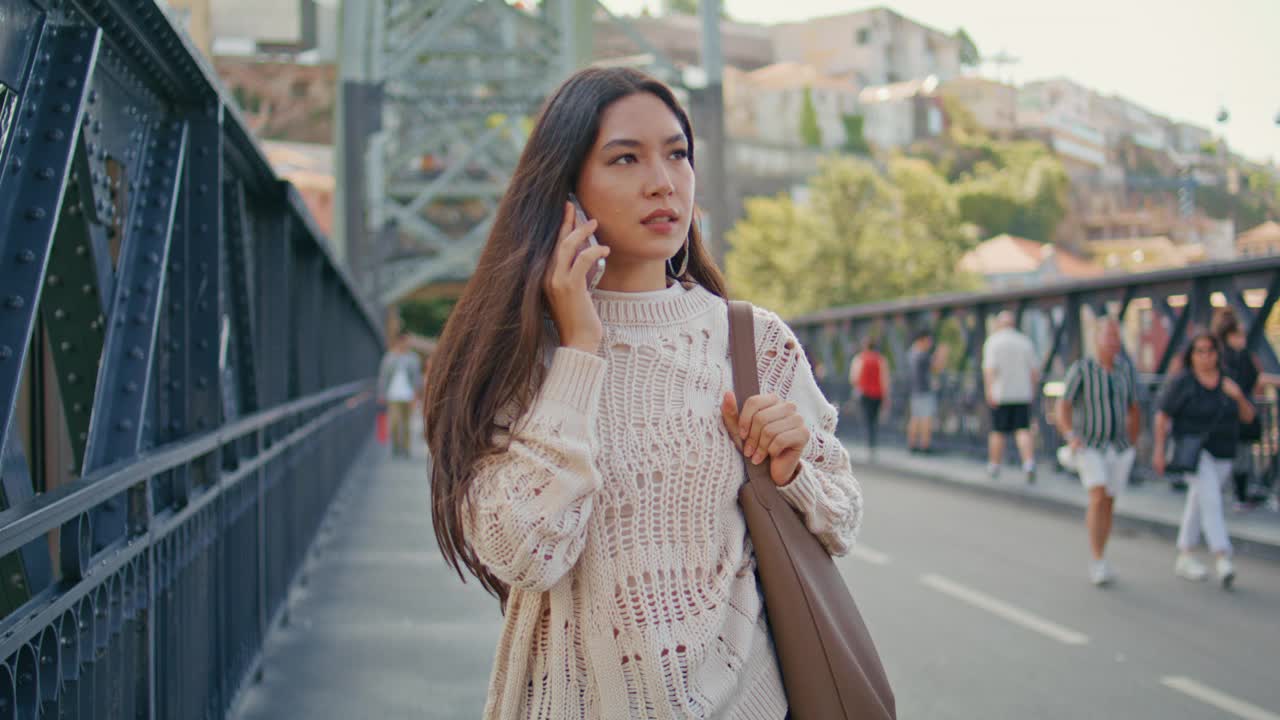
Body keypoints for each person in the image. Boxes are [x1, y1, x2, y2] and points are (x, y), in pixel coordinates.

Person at [422, 68, 862, 720]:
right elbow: (523, 553)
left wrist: (792, 468)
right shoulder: (522, 357)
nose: (663, 180)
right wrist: (578, 352)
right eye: (626, 158)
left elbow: (844, 520)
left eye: (677, 154)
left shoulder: (752, 341)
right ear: (566, 189)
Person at [1153, 332, 1255, 589]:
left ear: (1217, 354)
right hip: (1194, 453)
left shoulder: (1226, 383)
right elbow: (1162, 415)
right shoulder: (1183, 382)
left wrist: (1238, 396)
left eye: (1210, 351)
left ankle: (1185, 554)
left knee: (1198, 502)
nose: (1205, 356)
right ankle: (1223, 557)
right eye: (1200, 351)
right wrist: (1159, 449)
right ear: (1191, 355)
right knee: (1210, 499)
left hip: (1224, 451)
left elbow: (1249, 417)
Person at [1055, 318, 1140, 586]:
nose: (1113, 342)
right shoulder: (1082, 369)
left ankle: (1101, 555)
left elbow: (1134, 407)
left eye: (1117, 337)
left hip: (1118, 446)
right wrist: (1070, 435)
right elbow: (1063, 405)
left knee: (1109, 501)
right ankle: (1096, 558)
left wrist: (1134, 441)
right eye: (1108, 337)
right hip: (1090, 444)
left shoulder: (1125, 370)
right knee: (1098, 493)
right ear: (1096, 339)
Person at [1211, 309, 1278, 507]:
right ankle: (1238, 497)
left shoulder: (1225, 356)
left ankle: (1234, 496)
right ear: (1229, 335)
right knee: (1238, 458)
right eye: (1238, 335)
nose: (1242, 339)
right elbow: (1256, 379)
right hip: (1234, 416)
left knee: (1236, 458)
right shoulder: (1232, 358)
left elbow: (1256, 379)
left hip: (1230, 416)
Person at [983, 311, 1040, 482]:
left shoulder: (993, 342)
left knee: (998, 431)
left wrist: (989, 390)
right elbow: (1034, 371)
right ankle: (1028, 463)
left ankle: (994, 465)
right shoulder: (1025, 342)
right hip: (1022, 393)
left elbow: (990, 370)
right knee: (1023, 430)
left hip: (1001, 393)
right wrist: (1032, 390)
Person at [377, 333, 422, 457]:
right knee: (395, 423)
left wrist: (416, 395)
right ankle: (396, 447)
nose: (404, 345)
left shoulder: (413, 358)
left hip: (408, 395)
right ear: (398, 342)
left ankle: (406, 449)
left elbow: (417, 378)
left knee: (407, 424)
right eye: (403, 342)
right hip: (393, 395)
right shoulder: (389, 357)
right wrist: (381, 394)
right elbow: (383, 377)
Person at [850, 338, 891, 456]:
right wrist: (886, 396)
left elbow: (854, 377)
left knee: (867, 418)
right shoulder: (881, 359)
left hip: (865, 393)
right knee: (874, 418)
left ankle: (869, 443)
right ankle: (873, 442)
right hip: (878, 394)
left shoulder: (859, 358)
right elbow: (885, 379)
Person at [907, 331, 943, 453]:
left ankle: (912, 445)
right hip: (924, 390)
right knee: (926, 418)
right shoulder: (922, 355)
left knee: (915, 418)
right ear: (921, 340)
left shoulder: (911, 353)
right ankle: (925, 446)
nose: (930, 343)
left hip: (915, 390)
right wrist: (941, 354)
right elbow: (937, 367)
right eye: (928, 340)